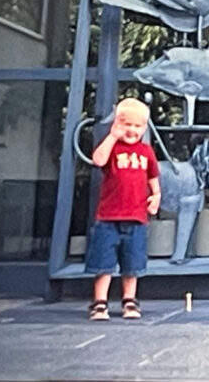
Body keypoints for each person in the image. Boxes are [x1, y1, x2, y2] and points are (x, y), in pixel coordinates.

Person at [85, 97, 161, 321]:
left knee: (132, 263)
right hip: (109, 217)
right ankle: (100, 303)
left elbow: (153, 176)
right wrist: (112, 136)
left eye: (137, 126)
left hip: (136, 217)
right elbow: (98, 161)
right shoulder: (112, 148)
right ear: (118, 123)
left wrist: (156, 195)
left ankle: (130, 300)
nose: (132, 131)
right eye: (127, 125)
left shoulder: (146, 151)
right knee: (104, 263)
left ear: (144, 128)